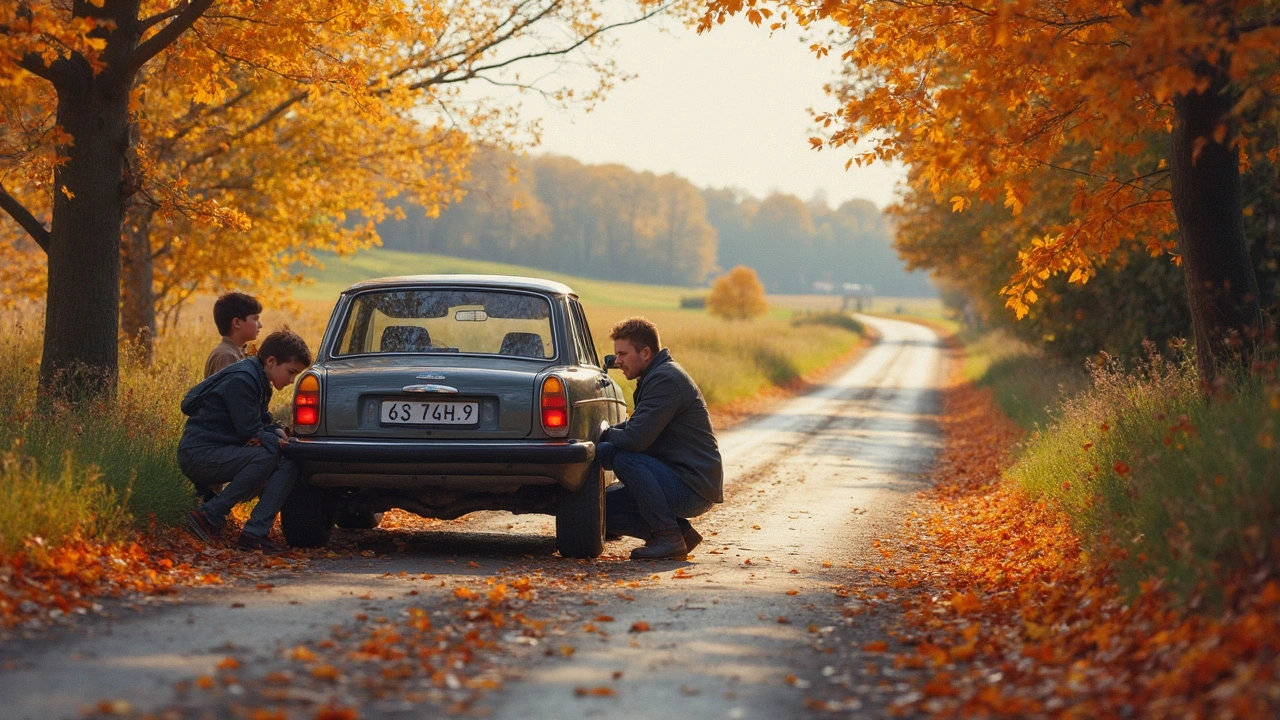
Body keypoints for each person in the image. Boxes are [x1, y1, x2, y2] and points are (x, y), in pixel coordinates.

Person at [601, 317, 723, 560]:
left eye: (623, 354)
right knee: (602, 508)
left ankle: (668, 536)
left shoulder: (665, 379)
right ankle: (682, 534)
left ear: (645, 352)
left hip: (692, 485)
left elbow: (635, 439)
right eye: (616, 355)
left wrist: (603, 431)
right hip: (676, 476)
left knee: (625, 459)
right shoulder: (656, 376)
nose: (617, 361)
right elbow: (637, 426)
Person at [179, 329, 311, 553]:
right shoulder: (243, 379)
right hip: (199, 456)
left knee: (289, 461)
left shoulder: (258, 380)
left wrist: (279, 433)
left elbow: (260, 423)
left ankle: (255, 533)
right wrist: (277, 441)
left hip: (222, 453)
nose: (291, 380)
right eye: (290, 372)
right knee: (270, 454)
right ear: (271, 361)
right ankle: (208, 515)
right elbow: (249, 430)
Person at [205, 291, 263, 378]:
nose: (260, 325)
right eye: (255, 319)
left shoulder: (237, 352)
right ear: (236, 323)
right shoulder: (226, 355)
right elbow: (230, 390)